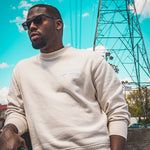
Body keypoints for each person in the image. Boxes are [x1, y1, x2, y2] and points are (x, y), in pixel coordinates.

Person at [0, 4, 130, 150]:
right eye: (27, 24)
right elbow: (17, 112)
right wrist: (8, 130)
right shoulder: (22, 69)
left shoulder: (91, 60)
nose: (31, 27)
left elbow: (117, 111)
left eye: (38, 20)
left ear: (58, 24)